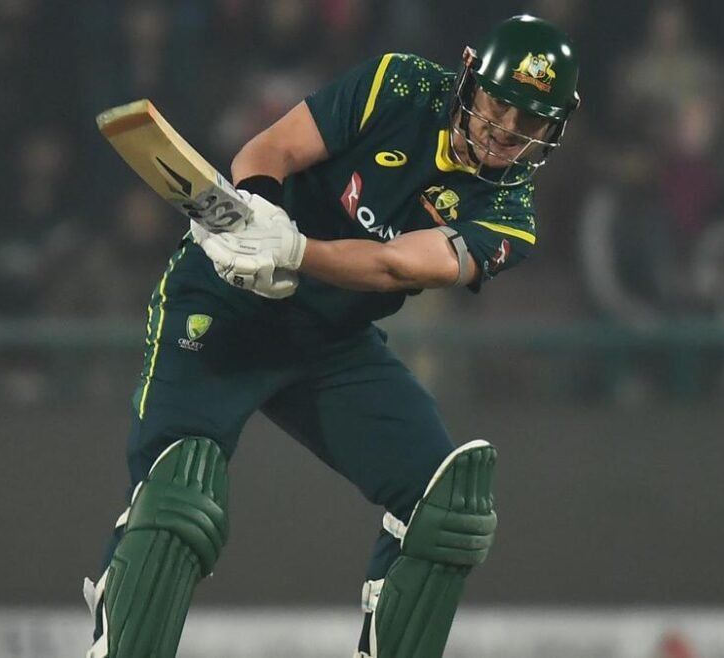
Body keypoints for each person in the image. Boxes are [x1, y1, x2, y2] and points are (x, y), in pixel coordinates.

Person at [84, 15, 580, 658]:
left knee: (447, 504)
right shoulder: (400, 84)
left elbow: (396, 264)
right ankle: (119, 632)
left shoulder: (511, 216)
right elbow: (268, 150)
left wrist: (291, 250)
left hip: (329, 340)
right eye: (498, 107)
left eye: (531, 124)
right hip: (221, 304)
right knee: (181, 496)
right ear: (467, 75)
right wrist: (255, 212)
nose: (505, 133)